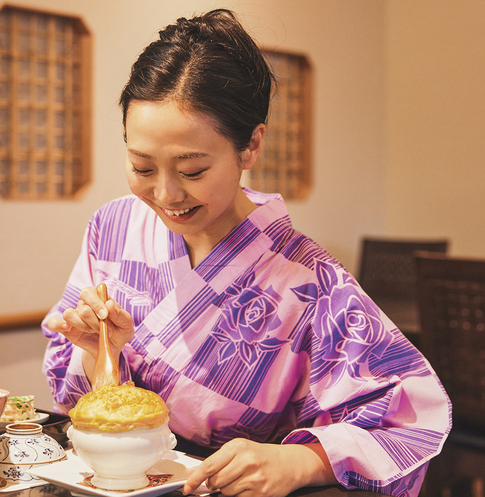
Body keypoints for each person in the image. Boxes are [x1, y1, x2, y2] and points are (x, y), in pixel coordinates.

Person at [41, 9, 451, 497]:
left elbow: (409, 420)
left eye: (192, 171)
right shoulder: (112, 228)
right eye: (142, 167)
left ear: (251, 145)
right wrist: (101, 354)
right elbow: (75, 394)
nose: (166, 194)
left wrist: (300, 461)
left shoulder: (309, 280)